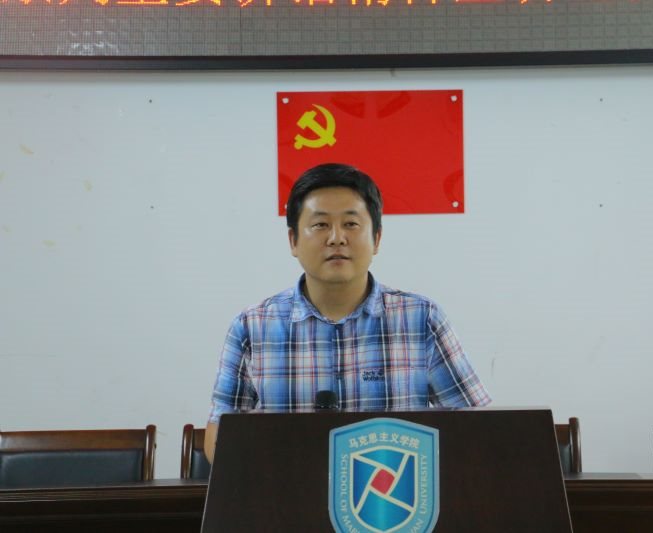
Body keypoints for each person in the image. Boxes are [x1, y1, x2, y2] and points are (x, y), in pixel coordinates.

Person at [204, 163, 490, 461]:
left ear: (376, 239)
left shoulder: (422, 319)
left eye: (351, 224)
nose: (336, 238)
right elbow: (220, 435)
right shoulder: (252, 327)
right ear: (293, 241)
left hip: (392, 488)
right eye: (320, 225)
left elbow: (474, 427)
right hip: (288, 487)